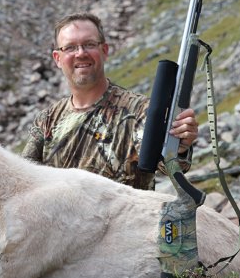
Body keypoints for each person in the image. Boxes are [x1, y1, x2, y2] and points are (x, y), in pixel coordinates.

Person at [22, 12, 199, 190]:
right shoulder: (46, 120)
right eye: (70, 48)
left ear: (104, 51)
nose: (81, 53)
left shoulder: (140, 111)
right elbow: (23, 180)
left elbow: (168, 164)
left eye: (89, 44)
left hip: (124, 217)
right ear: (57, 58)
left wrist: (180, 144)